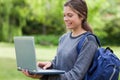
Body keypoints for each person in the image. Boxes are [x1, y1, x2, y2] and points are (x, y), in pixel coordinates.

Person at [22, 0, 98, 80]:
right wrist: (50, 65)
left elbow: (75, 76)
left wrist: (45, 76)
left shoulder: (89, 41)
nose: (65, 19)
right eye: (64, 15)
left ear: (82, 16)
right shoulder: (64, 38)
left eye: (70, 15)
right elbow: (59, 63)